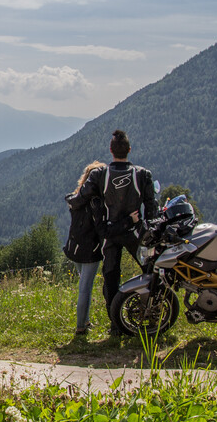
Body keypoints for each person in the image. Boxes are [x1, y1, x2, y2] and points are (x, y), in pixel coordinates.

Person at [73, 130, 159, 334]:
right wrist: (151, 231)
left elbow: (81, 197)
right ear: (129, 150)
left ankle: (116, 324)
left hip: (109, 234)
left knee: (111, 278)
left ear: (110, 151)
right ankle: (151, 316)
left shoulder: (100, 174)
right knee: (149, 271)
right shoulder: (142, 174)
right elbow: (151, 206)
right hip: (135, 233)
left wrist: (71, 200)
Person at [64, 161, 106, 338]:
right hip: (90, 249)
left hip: (75, 246)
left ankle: (86, 320)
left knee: (83, 283)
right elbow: (100, 227)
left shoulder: (75, 198)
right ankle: (80, 326)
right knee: (85, 288)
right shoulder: (96, 201)